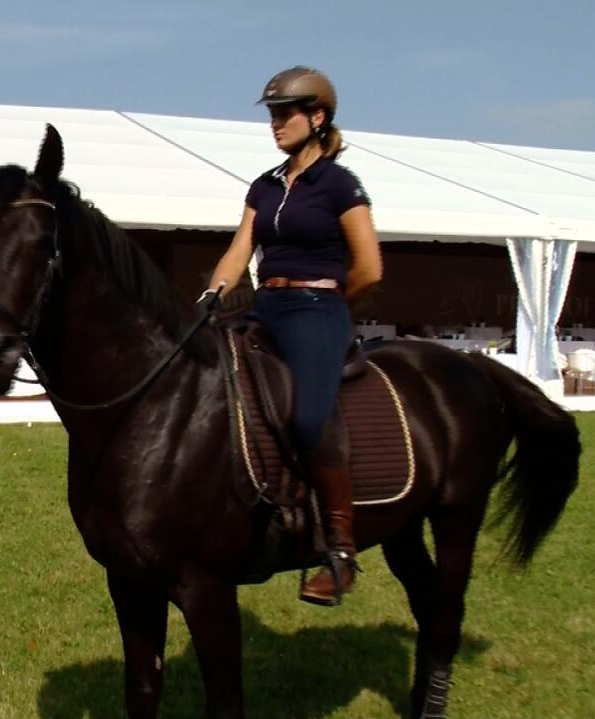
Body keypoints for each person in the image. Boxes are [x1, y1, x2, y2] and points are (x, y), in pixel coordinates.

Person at [203, 66, 383, 606]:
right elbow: (240, 251)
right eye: (273, 114)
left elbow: (370, 266)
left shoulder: (339, 184)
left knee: (308, 417)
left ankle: (340, 550)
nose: (276, 123)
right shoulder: (264, 185)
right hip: (266, 303)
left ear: (318, 117)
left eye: (286, 113)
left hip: (318, 306)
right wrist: (210, 297)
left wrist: (330, 307)